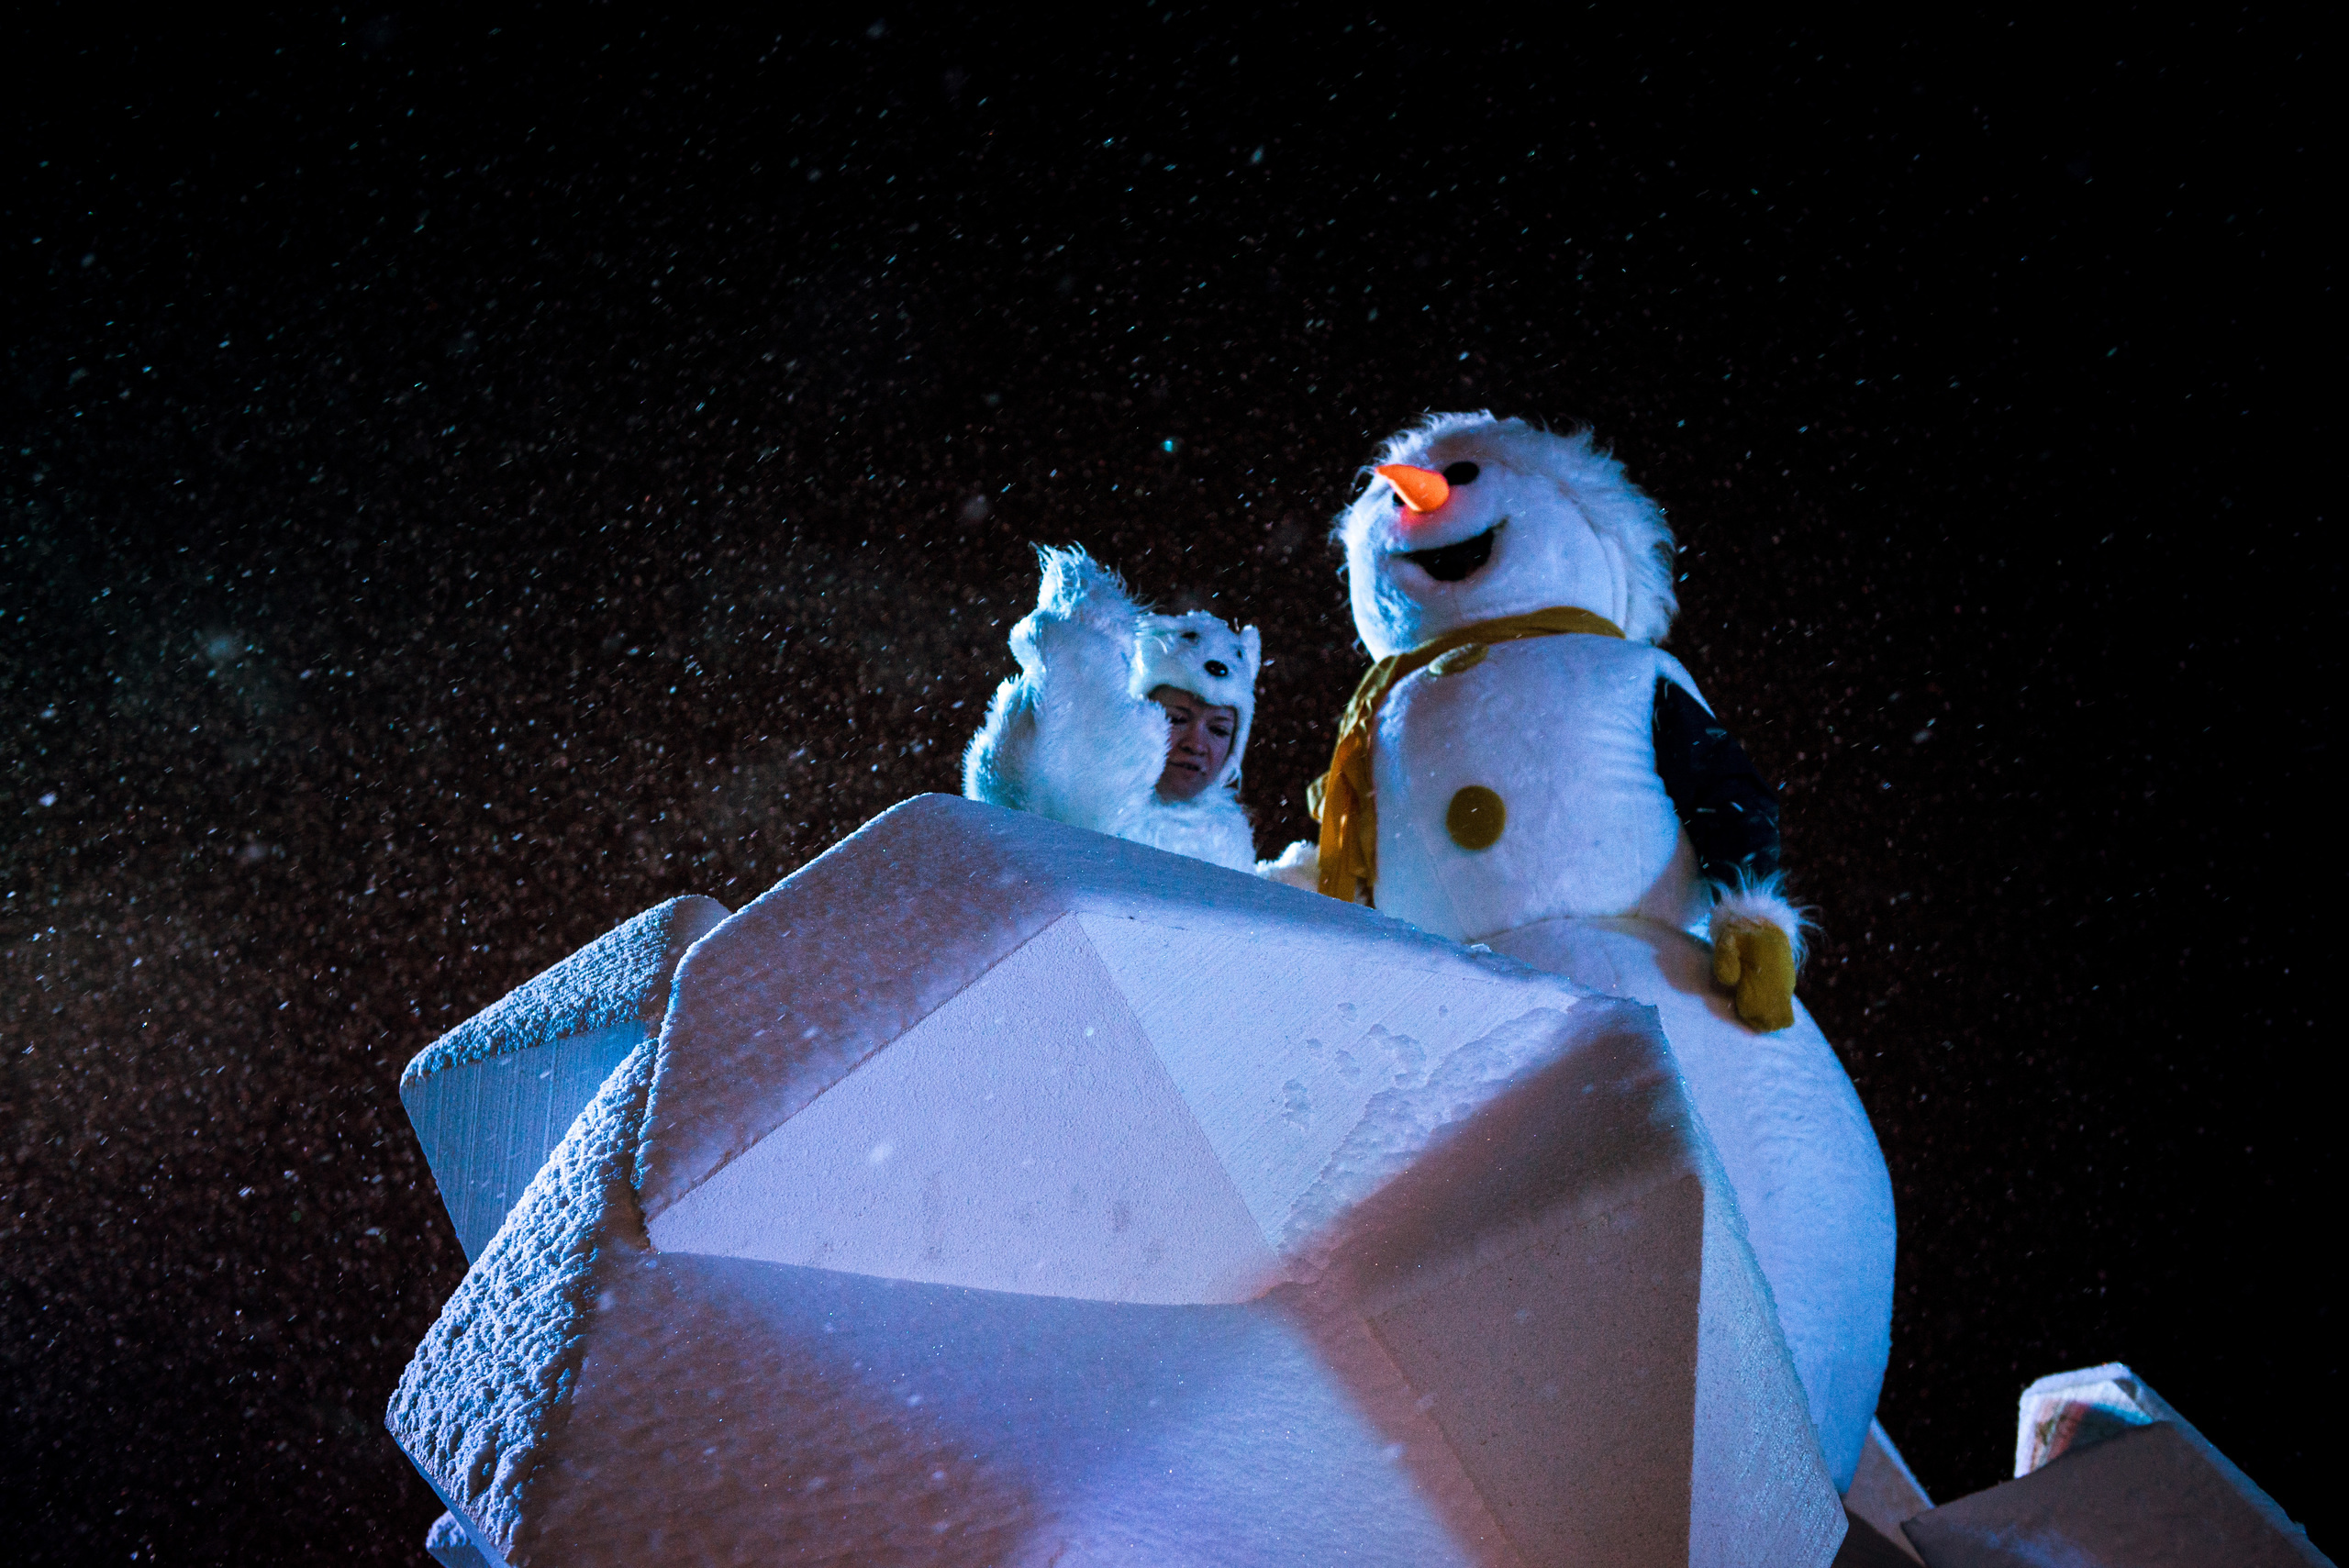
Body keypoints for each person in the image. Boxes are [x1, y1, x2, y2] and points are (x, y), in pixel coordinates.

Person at [963, 545, 1269, 873]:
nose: (1196, 743)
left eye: (1220, 729)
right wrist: (1073, 670)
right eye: (1177, 719)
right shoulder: (1097, 805)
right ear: (1139, 715)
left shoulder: (1230, 837)